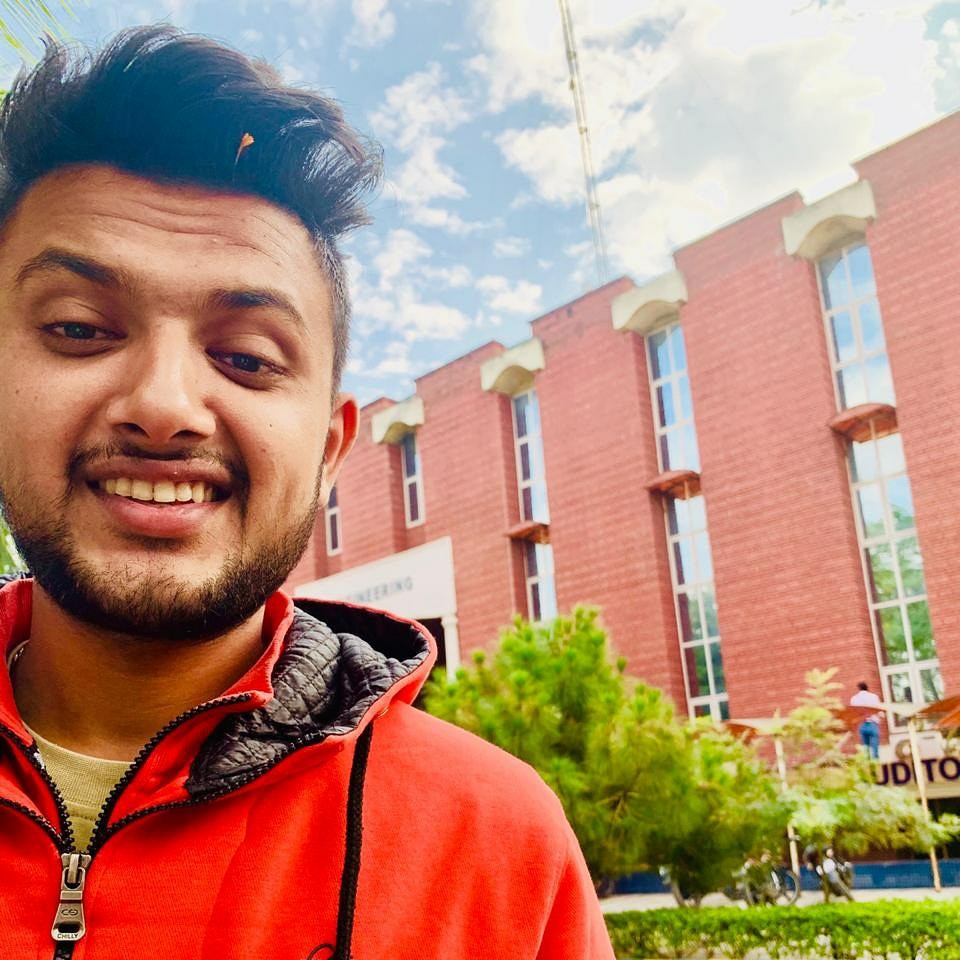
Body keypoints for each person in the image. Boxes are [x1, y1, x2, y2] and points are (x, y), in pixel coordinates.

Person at [0, 27, 614, 959]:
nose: (164, 407)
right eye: (81, 329)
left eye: (247, 357)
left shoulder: (497, 844)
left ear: (329, 450)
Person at [850, 680, 883, 759]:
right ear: (867, 688)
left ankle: (867, 763)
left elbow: (853, 712)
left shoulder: (854, 698)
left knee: (865, 747)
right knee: (875, 747)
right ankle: (875, 762)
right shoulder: (874, 697)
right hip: (873, 723)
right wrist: (881, 717)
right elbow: (879, 710)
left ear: (859, 688)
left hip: (862, 724)